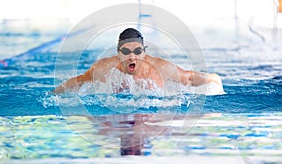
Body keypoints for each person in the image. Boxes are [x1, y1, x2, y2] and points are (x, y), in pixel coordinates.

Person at [52, 28, 223, 94]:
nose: (132, 57)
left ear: (144, 53)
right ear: (118, 53)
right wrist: (53, 95)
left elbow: (190, 78)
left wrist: (214, 79)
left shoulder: (160, 68)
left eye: (137, 51)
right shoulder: (104, 68)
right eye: (126, 51)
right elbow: (80, 81)